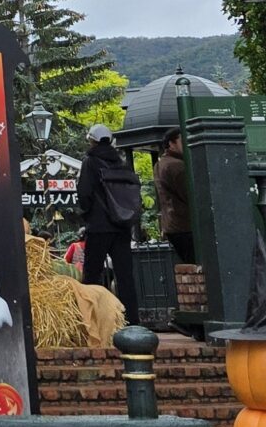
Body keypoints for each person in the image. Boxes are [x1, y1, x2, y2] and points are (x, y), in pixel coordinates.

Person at [74, 123, 142, 322]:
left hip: (99, 225)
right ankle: (131, 320)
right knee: (125, 276)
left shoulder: (90, 162)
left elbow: (84, 192)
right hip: (122, 225)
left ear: (92, 140)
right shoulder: (121, 162)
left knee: (92, 274)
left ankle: (92, 319)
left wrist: (86, 215)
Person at [153, 129, 194, 265]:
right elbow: (190, 195)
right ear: (171, 143)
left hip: (173, 224)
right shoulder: (177, 166)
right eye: (183, 140)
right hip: (185, 224)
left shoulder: (162, 164)